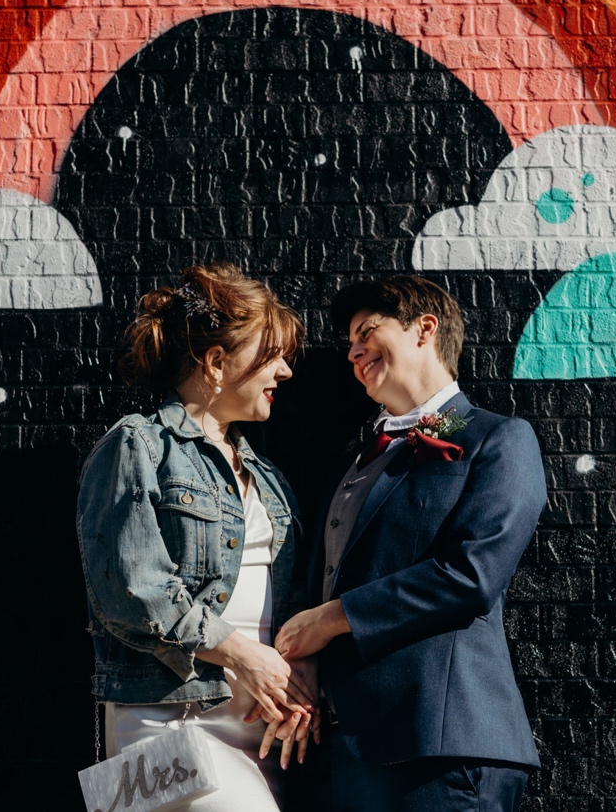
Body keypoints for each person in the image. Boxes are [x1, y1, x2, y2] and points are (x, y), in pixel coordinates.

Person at [274, 275, 545, 812]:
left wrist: (329, 619)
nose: (353, 352)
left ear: (425, 329)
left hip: (444, 748)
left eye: (367, 332)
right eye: (349, 342)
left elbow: (471, 578)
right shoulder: (352, 458)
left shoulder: (498, 438)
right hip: (346, 755)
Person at [76, 262, 317, 811]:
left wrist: (299, 688)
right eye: (270, 354)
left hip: (259, 726)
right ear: (215, 363)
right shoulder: (137, 446)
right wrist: (242, 656)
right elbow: (133, 592)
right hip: (168, 719)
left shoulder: (267, 477)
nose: (284, 372)